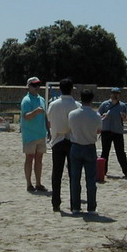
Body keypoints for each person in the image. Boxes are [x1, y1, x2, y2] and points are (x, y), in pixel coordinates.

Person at [46, 78, 80, 212]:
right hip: (73, 140)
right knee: (74, 174)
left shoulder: (53, 105)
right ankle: (74, 203)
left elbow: (49, 121)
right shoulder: (77, 105)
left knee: (57, 173)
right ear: (71, 89)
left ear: (60, 89)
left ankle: (56, 202)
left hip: (58, 140)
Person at [68, 89, 102, 214]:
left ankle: (75, 206)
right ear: (92, 99)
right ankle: (91, 207)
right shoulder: (96, 115)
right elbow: (99, 130)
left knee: (75, 179)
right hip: (89, 147)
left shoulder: (72, 114)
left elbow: (70, 128)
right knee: (91, 179)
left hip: (76, 146)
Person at [20, 77, 49, 192]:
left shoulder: (42, 99)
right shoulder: (26, 100)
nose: (37, 87)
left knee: (39, 159)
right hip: (30, 135)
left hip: (41, 134)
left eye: (38, 85)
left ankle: (38, 183)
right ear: (29, 86)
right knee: (29, 158)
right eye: (34, 85)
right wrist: (36, 111)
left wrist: (48, 130)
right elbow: (26, 116)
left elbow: (45, 116)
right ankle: (29, 184)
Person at [97, 87, 127, 178]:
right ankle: (103, 171)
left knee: (120, 152)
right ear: (111, 94)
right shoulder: (104, 104)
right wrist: (102, 115)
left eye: (117, 93)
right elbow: (98, 115)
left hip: (118, 131)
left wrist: (124, 116)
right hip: (106, 131)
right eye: (114, 93)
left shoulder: (122, 106)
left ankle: (126, 171)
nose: (115, 95)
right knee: (105, 152)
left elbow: (126, 117)